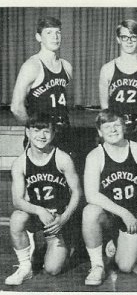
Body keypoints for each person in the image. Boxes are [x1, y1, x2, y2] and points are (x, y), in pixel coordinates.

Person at [82, 109, 137, 286]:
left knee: (125, 266)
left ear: (124, 127)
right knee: (90, 211)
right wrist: (123, 212)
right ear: (100, 132)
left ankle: (118, 242)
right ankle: (97, 266)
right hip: (111, 215)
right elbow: (91, 194)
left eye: (117, 125)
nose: (113, 130)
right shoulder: (95, 156)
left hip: (134, 215)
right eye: (107, 126)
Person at [5, 113, 81, 285]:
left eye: (46, 131)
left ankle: (66, 241)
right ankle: (25, 268)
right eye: (36, 130)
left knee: (52, 269)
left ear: (53, 134)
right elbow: (17, 201)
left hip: (59, 218)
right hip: (38, 215)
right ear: (27, 132)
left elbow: (77, 192)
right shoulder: (20, 163)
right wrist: (39, 210)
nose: (41, 135)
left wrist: (65, 218)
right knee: (17, 218)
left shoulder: (62, 158)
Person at [10, 16, 73, 152]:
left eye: (58, 33)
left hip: (63, 133)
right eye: (49, 33)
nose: (55, 37)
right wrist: (34, 129)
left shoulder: (66, 66)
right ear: (39, 37)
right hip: (42, 136)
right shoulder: (32, 66)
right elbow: (16, 107)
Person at [99, 19, 137, 148]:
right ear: (118, 39)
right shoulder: (107, 69)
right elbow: (104, 106)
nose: (129, 41)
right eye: (124, 37)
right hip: (116, 127)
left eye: (133, 37)